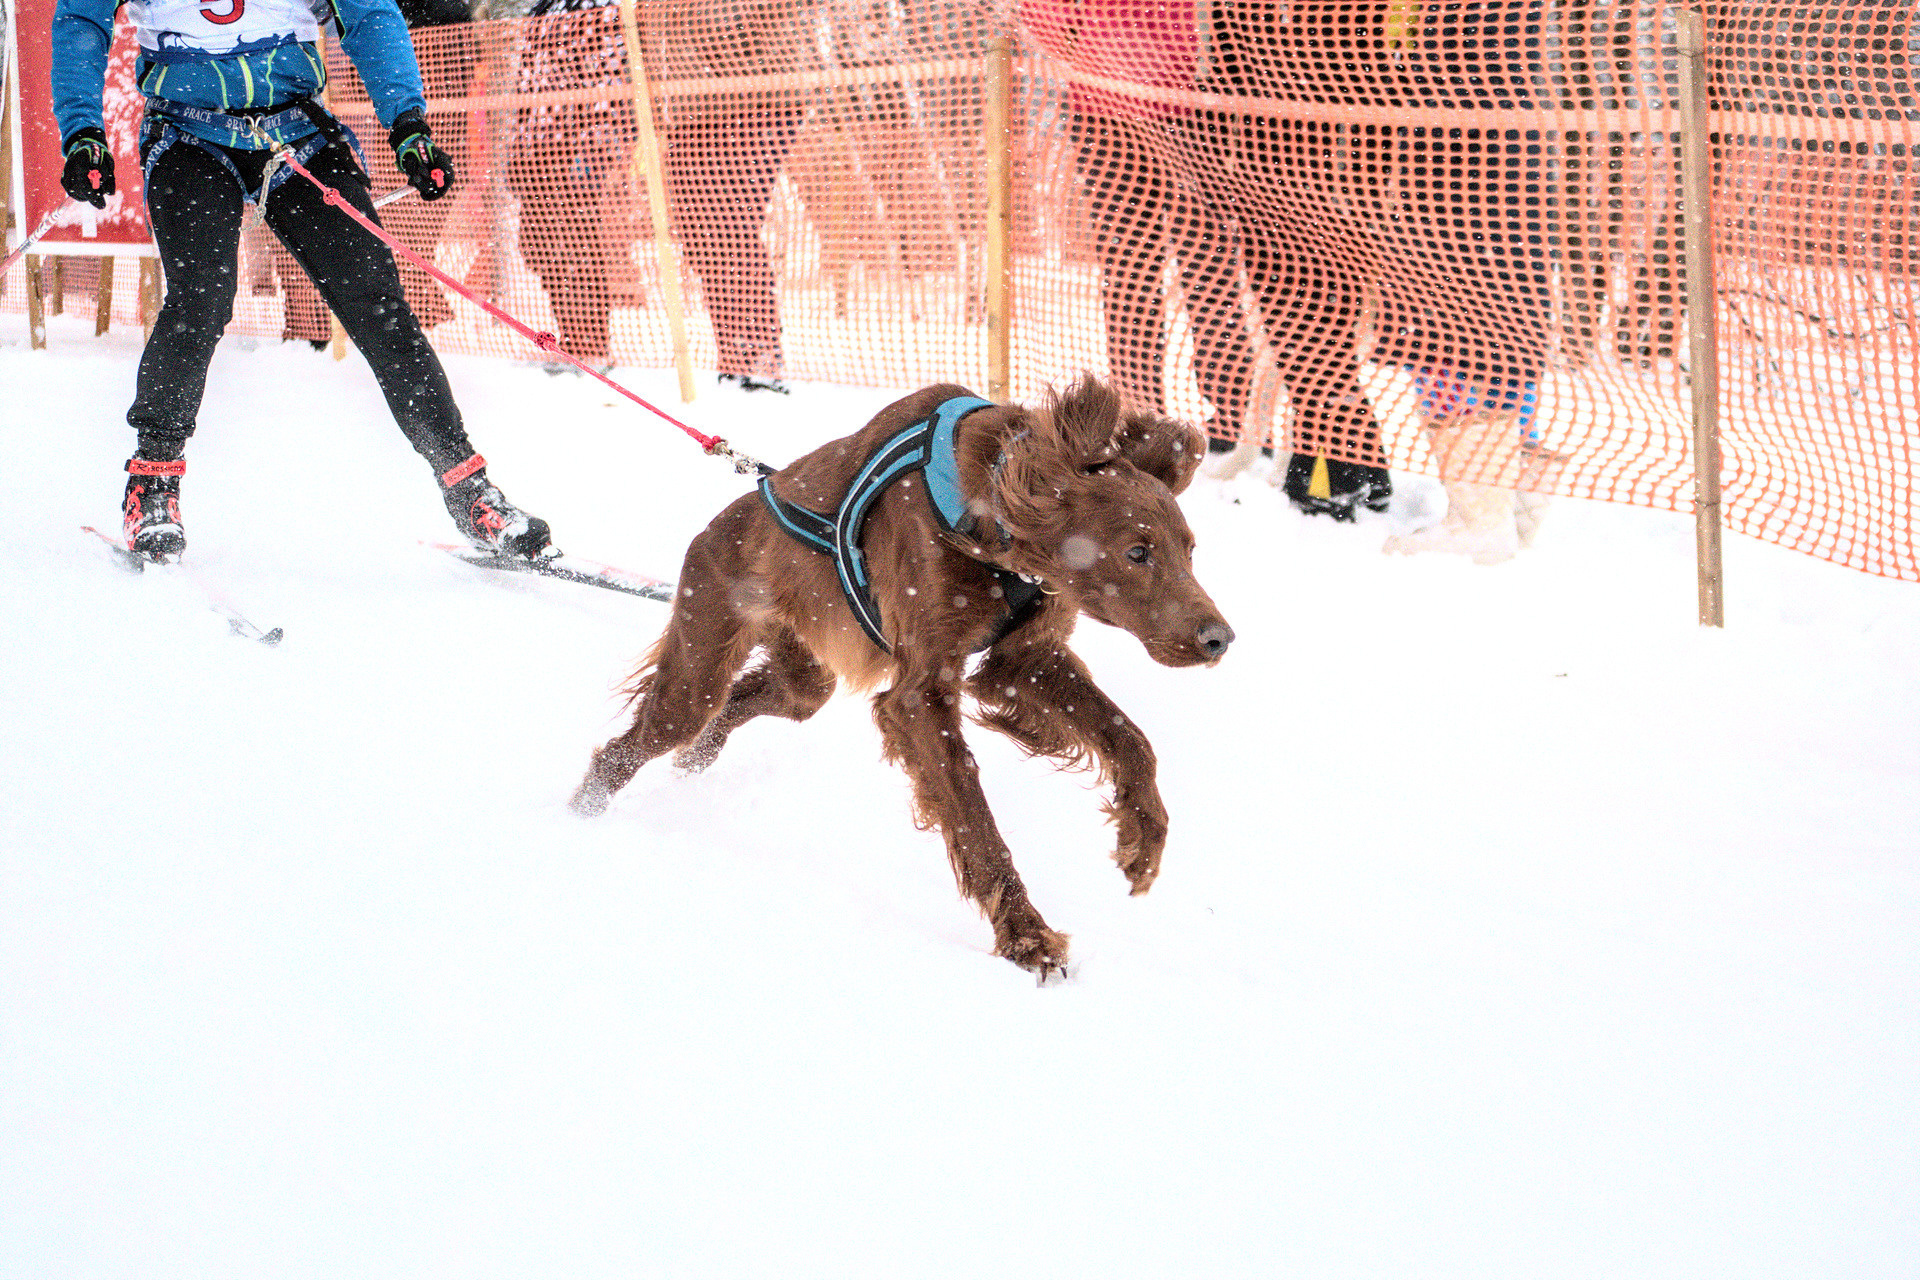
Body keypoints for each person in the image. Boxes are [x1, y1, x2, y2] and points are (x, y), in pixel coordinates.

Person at [50, 0, 554, 564]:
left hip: (296, 135)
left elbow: (371, 17)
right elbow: (81, 20)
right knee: (201, 301)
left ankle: (471, 492)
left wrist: (409, 126)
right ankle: (153, 487)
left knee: (378, 308)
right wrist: (83, 132)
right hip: (187, 134)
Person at [508, 0, 802, 390]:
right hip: (688, 111)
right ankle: (739, 357)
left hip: (746, 103)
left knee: (726, 225)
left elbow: (734, 28)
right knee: (703, 235)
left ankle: (757, 357)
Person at [1022, 0, 1260, 448]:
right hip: (1109, 114)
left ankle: (1227, 414)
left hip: (1192, 109)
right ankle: (1144, 414)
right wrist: (1082, 40)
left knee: (1205, 270)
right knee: (1137, 275)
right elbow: (1043, 16)